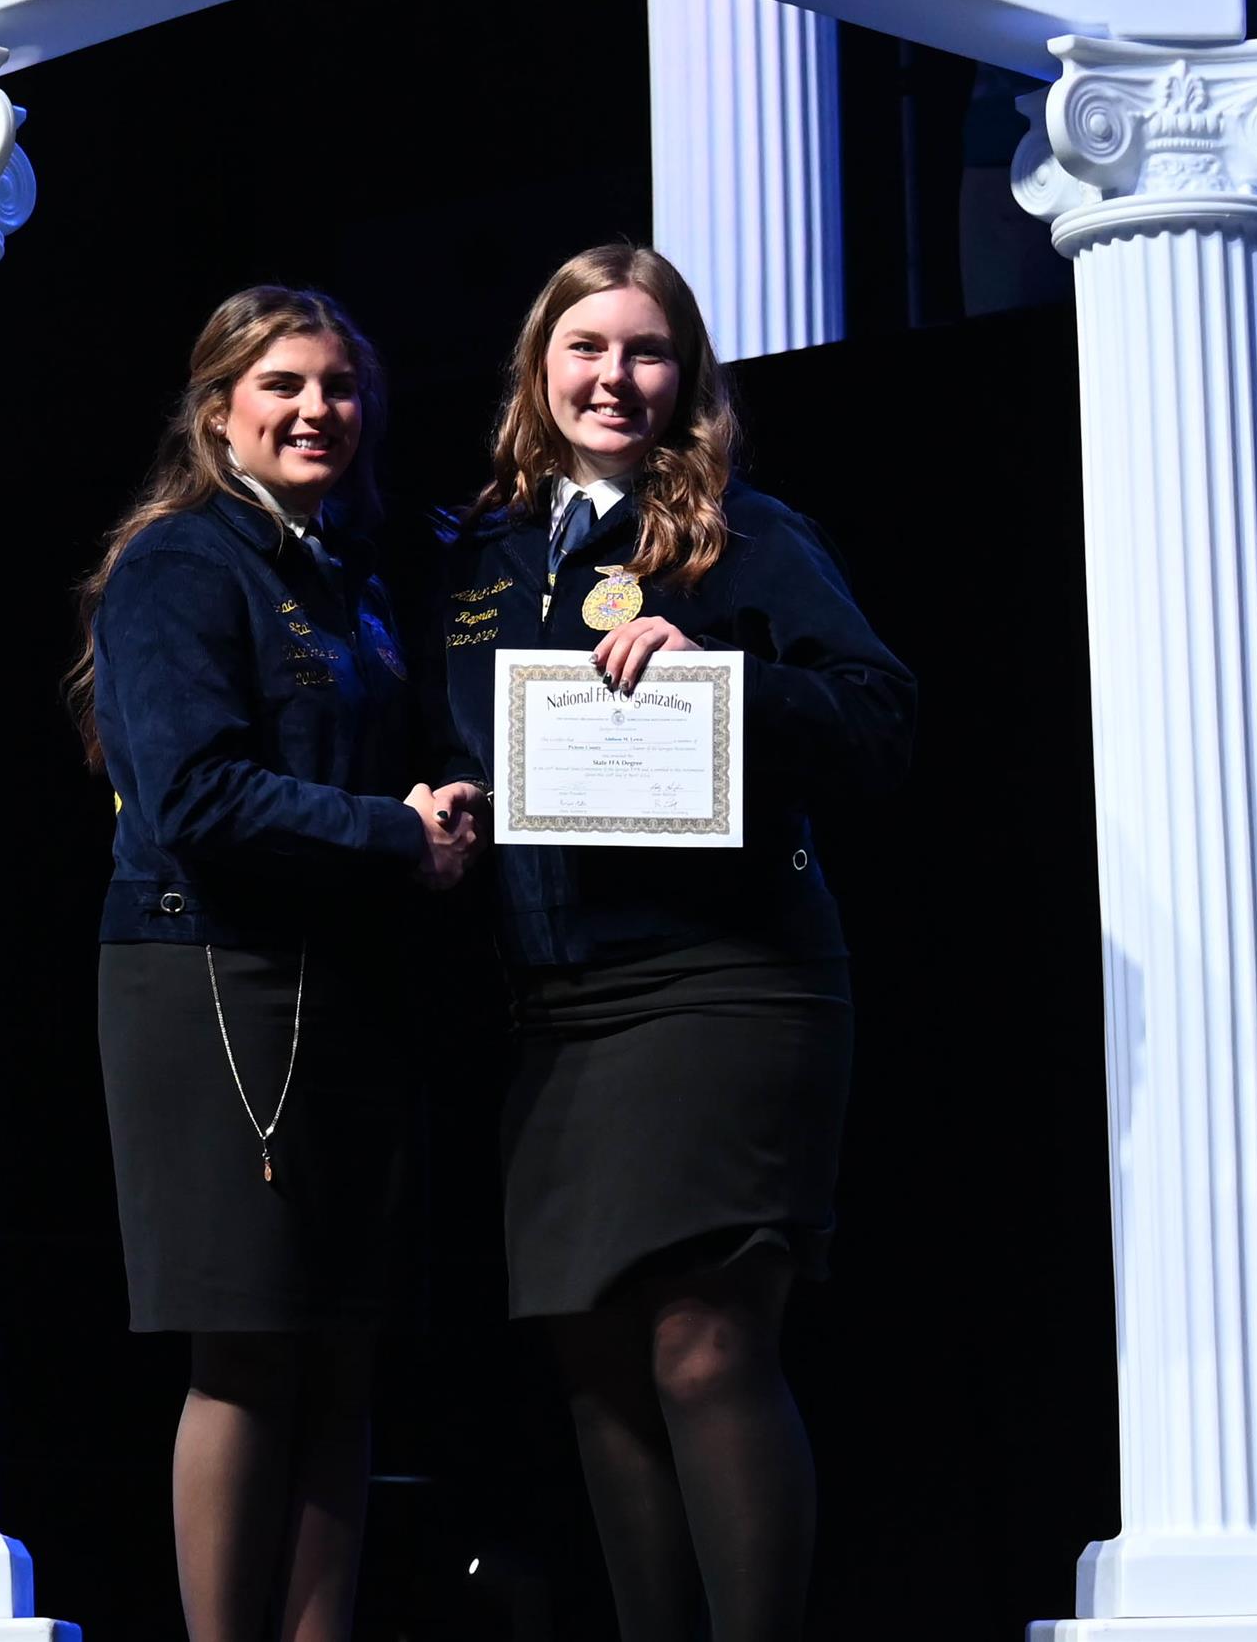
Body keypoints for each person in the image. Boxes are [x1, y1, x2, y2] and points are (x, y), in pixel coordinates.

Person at [420, 246, 915, 1640]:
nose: (613, 378)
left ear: (686, 375)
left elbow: (880, 718)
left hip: (729, 980)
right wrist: (436, 804)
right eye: (586, 347)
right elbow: (455, 740)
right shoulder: (476, 554)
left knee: (705, 1344)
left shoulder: (745, 534)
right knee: (595, 1358)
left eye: (645, 351)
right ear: (538, 367)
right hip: (556, 1002)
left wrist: (724, 681)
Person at [69, 286, 479, 1642]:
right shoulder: (182, 564)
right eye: (284, 385)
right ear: (218, 412)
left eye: (340, 387)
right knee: (246, 1347)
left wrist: (449, 806)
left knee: (341, 1353)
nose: (317, 410)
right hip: (212, 979)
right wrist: (395, 832)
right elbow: (194, 796)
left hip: (348, 981)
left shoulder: (352, 572)